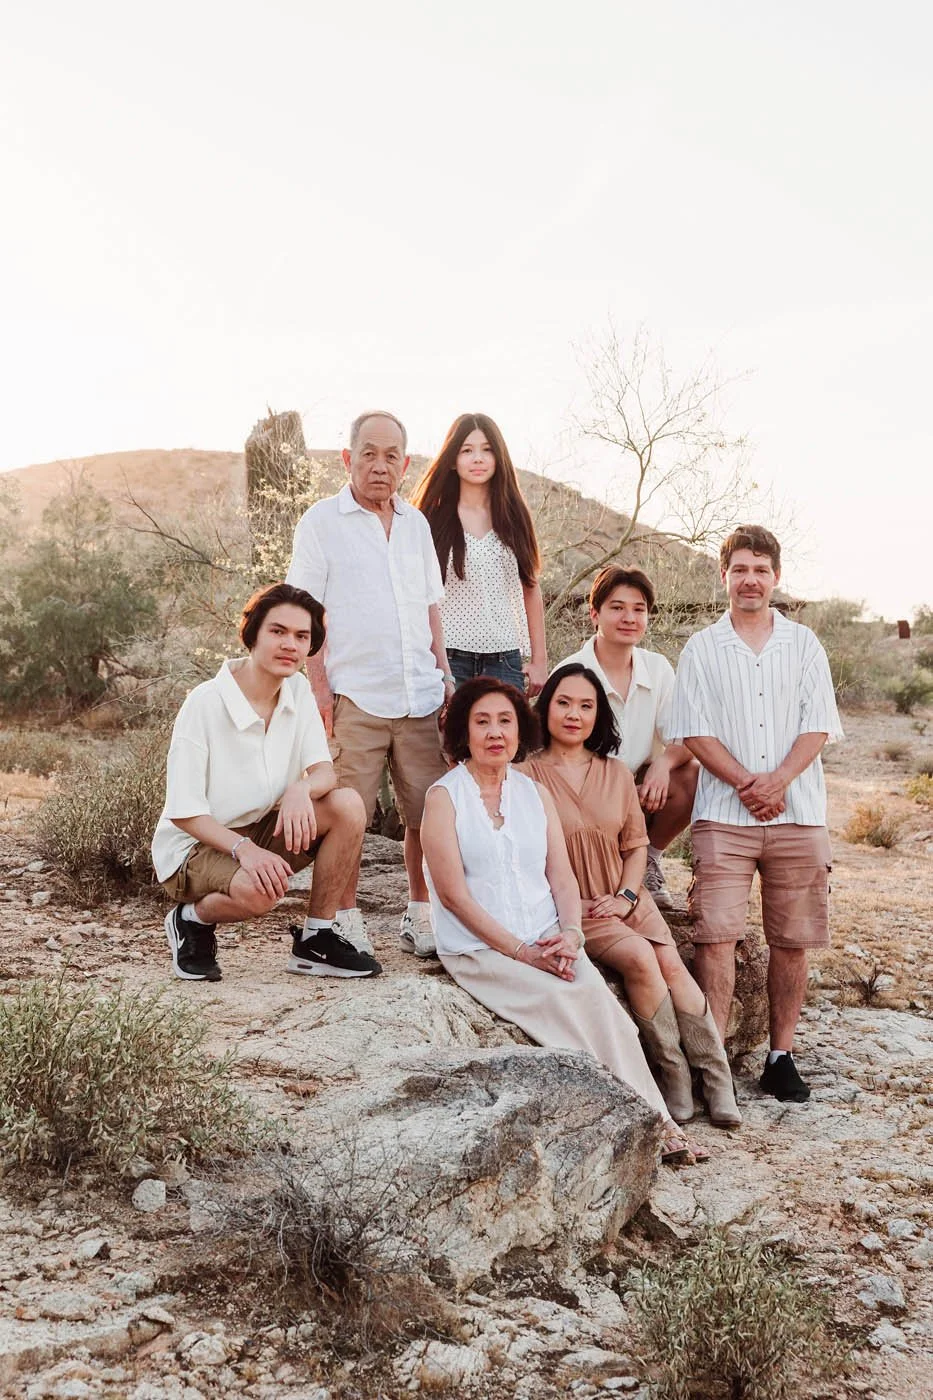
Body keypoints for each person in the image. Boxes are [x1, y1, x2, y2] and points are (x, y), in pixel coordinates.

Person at [421, 675, 709, 1161]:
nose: (496, 732)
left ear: (520, 731)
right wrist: (523, 953)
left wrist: (571, 934)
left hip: (547, 937)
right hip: (482, 950)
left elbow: (562, 877)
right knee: (564, 1008)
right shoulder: (443, 797)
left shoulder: (533, 793)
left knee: (606, 1012)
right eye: (482, 722)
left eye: (506, 721)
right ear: (463, 735)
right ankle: (630, 1128)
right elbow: (453, 897)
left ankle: (658, 1121)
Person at [521, 664, 740, 1128]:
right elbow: (520, 856)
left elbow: (636, 846)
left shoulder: (616, 772)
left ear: (599, 715)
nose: (574, 714)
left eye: (586, 705)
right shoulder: (524, 775)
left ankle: (717, 1080)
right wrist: (569, 907)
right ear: (546, 709)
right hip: (578, 906)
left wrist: (626, 894)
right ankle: (674, 1077)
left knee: (673, 965)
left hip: (624, 895)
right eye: (563, 703)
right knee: (641, 957)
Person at [668, 525, 843, 1103]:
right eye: (739, 568)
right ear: (724, 575)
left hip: (798, 813)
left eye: (761, 569)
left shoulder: (804, 644)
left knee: (791, 939)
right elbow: (694, 730)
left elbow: (818, 723)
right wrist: (747, 782)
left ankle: (780, 1055)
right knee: (716, 937)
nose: (750, 579)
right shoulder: (700, 647)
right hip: (724, 813)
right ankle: (714, 1067)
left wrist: (780, 781)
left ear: (776, 577)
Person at [286, 410, 453, 960]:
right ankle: (343, 918)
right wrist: (317, 690)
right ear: (347, 458)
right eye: (369, 454)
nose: (379, 466)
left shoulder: (416, 525)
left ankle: (421, 912)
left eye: (390, 457)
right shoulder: (320, 522)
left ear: (404, 464)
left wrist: (445, 675)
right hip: (353, 692)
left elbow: (431, 608)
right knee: (349, 812)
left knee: (427, 813)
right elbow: (304, 612)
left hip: (419, 694)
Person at [152, 583, 378, 981]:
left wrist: (300, 789)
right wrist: (245, 851)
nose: (290, 644)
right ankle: (191, 920)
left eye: (301, 636)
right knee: (261, 893)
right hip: (196, 846)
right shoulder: (205, 703)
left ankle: (316, 939)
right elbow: (185, 813)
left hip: (259, 828)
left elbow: (324, 771)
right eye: (278, 631)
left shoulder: (297, 690)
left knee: (347, 805)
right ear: (252, 633)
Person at [557, 566, 698, 910]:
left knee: (691, 773)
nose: (629, 618)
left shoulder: (658, 667)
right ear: (595, 614)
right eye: (617, 607)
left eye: (638, 609)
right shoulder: (571, 670)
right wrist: (616, 791)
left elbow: (683, 736)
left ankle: (648, 860)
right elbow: (558, 758)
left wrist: (663, 764)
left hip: (636, 788)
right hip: (582, 792)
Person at [410, 413, 548, 695]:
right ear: (452, 459)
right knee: (445, 740)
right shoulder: (430, 518)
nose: (478, 458)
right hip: (445, 659)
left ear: (499, 458)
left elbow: (530, 588)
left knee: (504, 739)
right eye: (467, 450)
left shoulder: (514, 516)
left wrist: (539, 661)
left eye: (487, 450)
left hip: (504, 660)